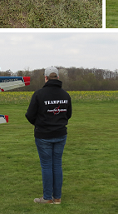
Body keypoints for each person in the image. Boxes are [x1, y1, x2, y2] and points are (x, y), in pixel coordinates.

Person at [26, 66, 72, 205]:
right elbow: (68, 114)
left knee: (47, 166)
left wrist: (40, 124)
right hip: (60, 134)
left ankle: (47, 198)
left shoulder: (39, 94)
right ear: (58, 77)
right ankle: (57, 198)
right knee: (57, 165)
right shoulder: (65, 95)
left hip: (43, 135)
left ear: (45, 78)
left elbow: (29, 115)